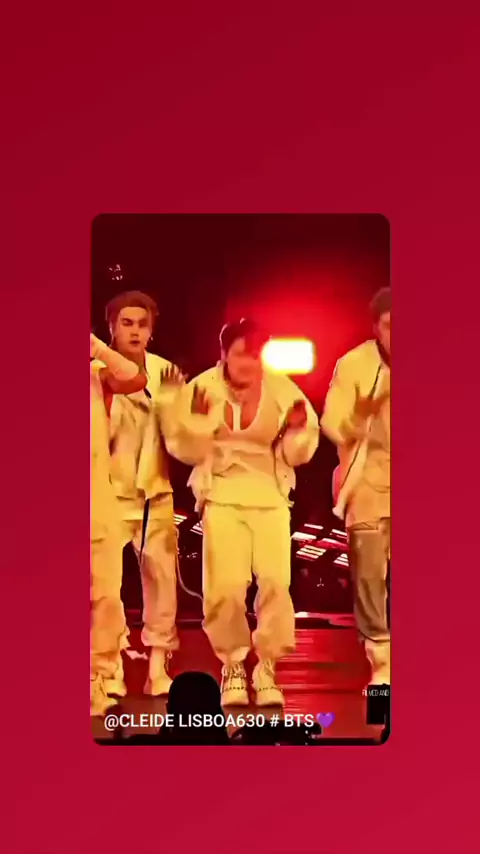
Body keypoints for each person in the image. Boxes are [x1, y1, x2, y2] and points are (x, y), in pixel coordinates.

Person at [168, 319, 319, 707]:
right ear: (224, 354)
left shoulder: (282, 390)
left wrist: (297, 432)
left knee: (275, 583)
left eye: (254, 355)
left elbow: (300, 452)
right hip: (222, 495)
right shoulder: (202, 388)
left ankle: (266, 667)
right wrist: (196, 423)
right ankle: (233, 665)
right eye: (240, 354)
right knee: (226, 587)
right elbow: (183, 449)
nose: (248, 363)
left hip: (269, 497)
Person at [95, 291, 184, 699]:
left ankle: (157, 666)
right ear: (111, 327)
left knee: (161, 583)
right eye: (126, 323)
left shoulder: (166, 372)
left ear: (152, 330)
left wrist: (173, 408)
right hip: (107, 497)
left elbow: (183, 443)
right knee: (104, 588)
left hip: (155, 495)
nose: (134, 331)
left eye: (142, 324)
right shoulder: (96, 372)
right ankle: (109, 667)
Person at [321, 288, 391, 685]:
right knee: (369, 575)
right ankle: (381, 662)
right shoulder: (354, 364)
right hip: (367, 482)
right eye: (390, 326)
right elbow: (332, 423)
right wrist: (358, 419)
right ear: (376, 327)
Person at [90, 333, 147, 716]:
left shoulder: (98, 373)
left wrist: (96, 347)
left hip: (97, 501)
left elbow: (136, 378)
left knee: (106, 598)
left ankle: (99, 677)